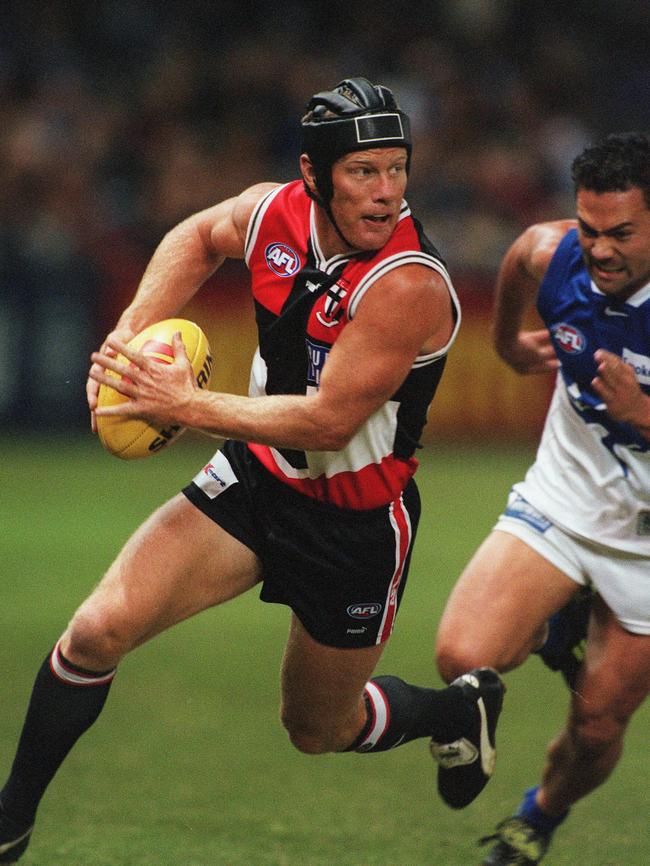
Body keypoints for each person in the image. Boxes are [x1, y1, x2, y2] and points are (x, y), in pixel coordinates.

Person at [0, 77, 505, 862]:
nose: (385, 193)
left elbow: (328, 419)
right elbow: (197, 237)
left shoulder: (406, 284)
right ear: (315, 174)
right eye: (363, 172)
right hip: (257, 477)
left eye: (396, 169)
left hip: (355, 524)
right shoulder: (276, 214)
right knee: (98, 629)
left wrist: (180, 402)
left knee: (317, 730)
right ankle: (10, 823)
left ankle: (451, 714)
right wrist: (130, 338)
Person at [435, 131, 650, 865]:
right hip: (567, 493)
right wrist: (504, 343)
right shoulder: (559, 255)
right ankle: (562, 614)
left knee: (597, 724)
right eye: (590, 230)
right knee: (461, 657)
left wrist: (644, 415)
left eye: (621, 233)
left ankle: (540, 816)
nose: (600, 250)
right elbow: (525, 250)